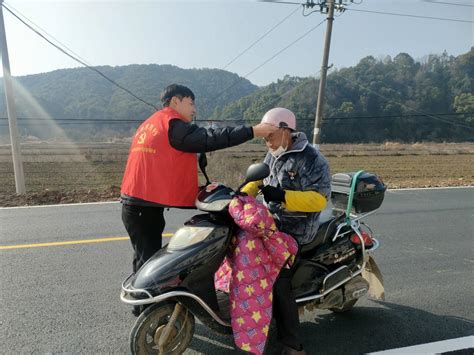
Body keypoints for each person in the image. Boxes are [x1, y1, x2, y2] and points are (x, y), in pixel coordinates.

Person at [120, 84, 277, 315]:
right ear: (176, 101)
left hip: (137, 202)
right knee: (151, 263)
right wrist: (254, 131)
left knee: (144, 256)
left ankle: (143, 309)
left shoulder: (153, 123)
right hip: (143, 206)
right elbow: (209, 138)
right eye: (191, 103)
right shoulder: (173, 124)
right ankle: (151, 313)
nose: (194, 109)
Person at [241, 107, 331, 355]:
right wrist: (237, 196)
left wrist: (283, 196)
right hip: (272, 223)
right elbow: (257, 180)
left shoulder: (312, 159)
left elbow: (319, 200)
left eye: (269, 135)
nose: (266, 140)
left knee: (279, 277)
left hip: (298, 229)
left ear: (285, 131)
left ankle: (293, 344)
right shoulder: (273, 153)